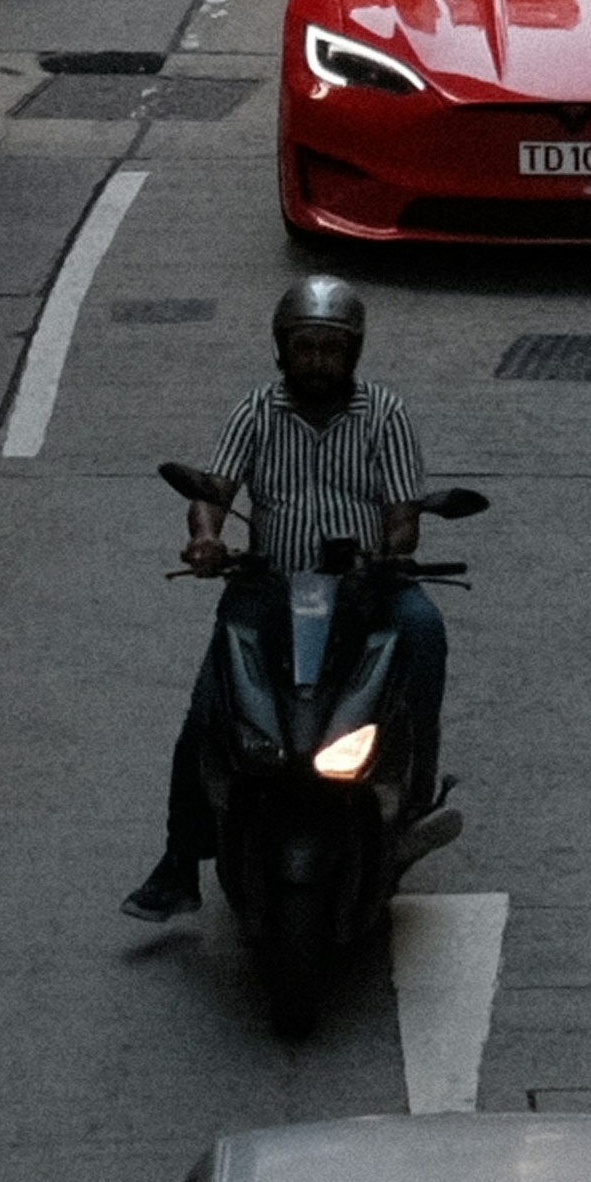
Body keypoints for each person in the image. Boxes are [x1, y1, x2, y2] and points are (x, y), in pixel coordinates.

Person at [128, 274, 440, 923]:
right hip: (268, 585)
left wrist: (391, 556)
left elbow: (403, 513)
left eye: (331, 348)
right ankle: (180, 861)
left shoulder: (385, 414)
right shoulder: (255, 412)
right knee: (208, 709)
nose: (317, 361)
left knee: (424, 629)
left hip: (362, 587)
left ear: (352, 353)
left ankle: (411, 794)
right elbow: (213, 494)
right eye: (305, 348)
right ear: (282, 349)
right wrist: (205, 542)